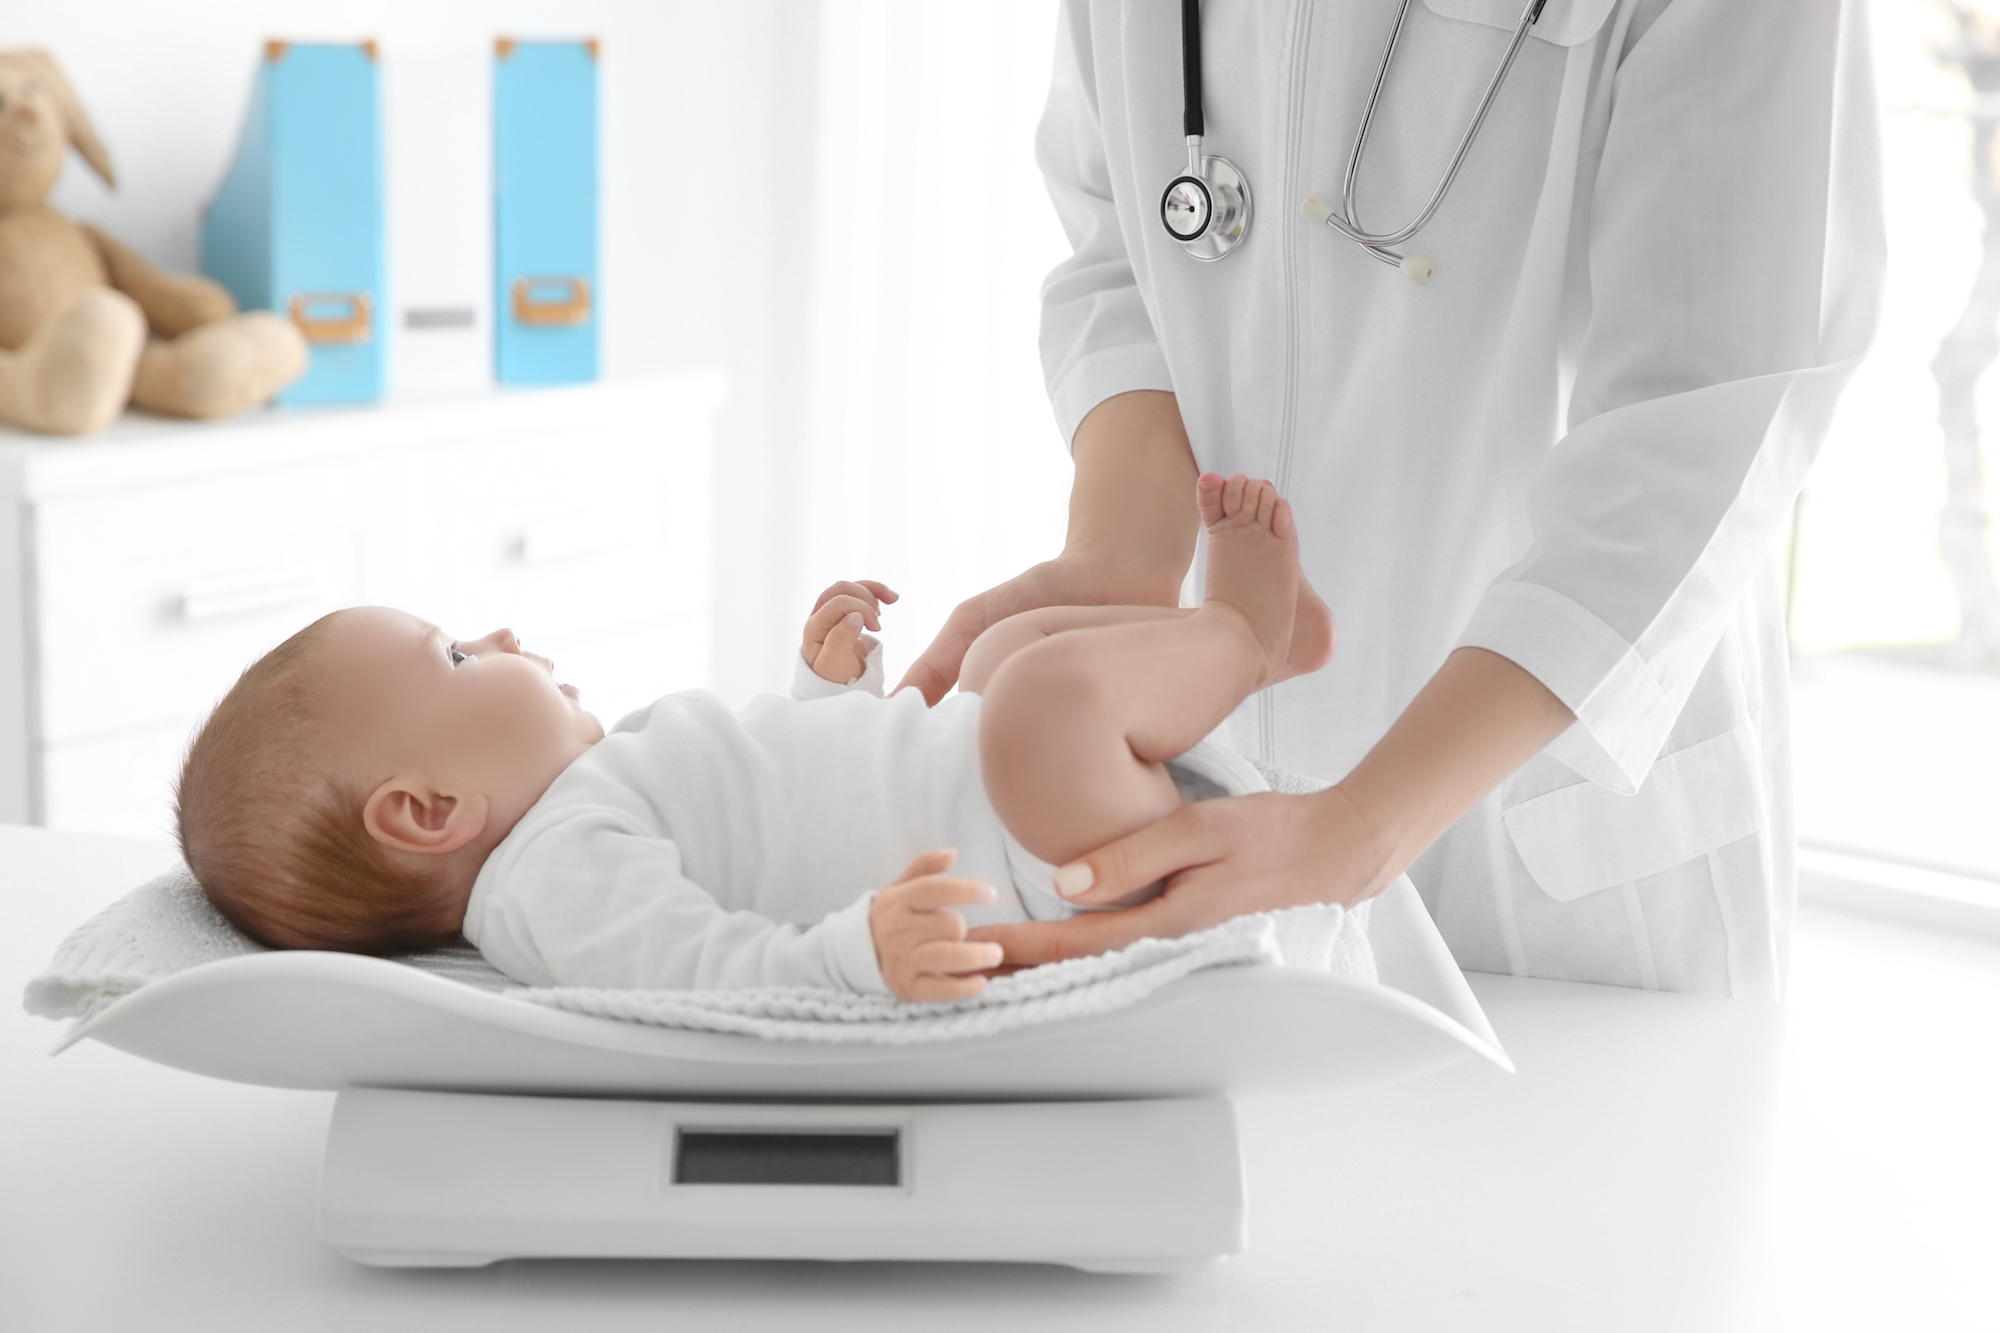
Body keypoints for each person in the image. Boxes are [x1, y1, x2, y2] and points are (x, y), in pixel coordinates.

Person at [901, 0, 1885, 997]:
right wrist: (1123, 554)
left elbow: (1699, 412)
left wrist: (1366, 823)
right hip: (1209, 794)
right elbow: (1122, 242)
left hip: (1557, 863)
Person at [173, 474, 1339, 1001]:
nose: (502, 630)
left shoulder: (584, 794)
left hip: (993, 789)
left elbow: (786, 814)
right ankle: (1237, 631)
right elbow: (710, 973)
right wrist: (852, 956)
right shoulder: (551, 885)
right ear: (427, 811)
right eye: (457, 656)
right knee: (1039, 697)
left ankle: (1220, 658)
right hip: (1041, 857)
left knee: (1006, 658)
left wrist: (826, 690)